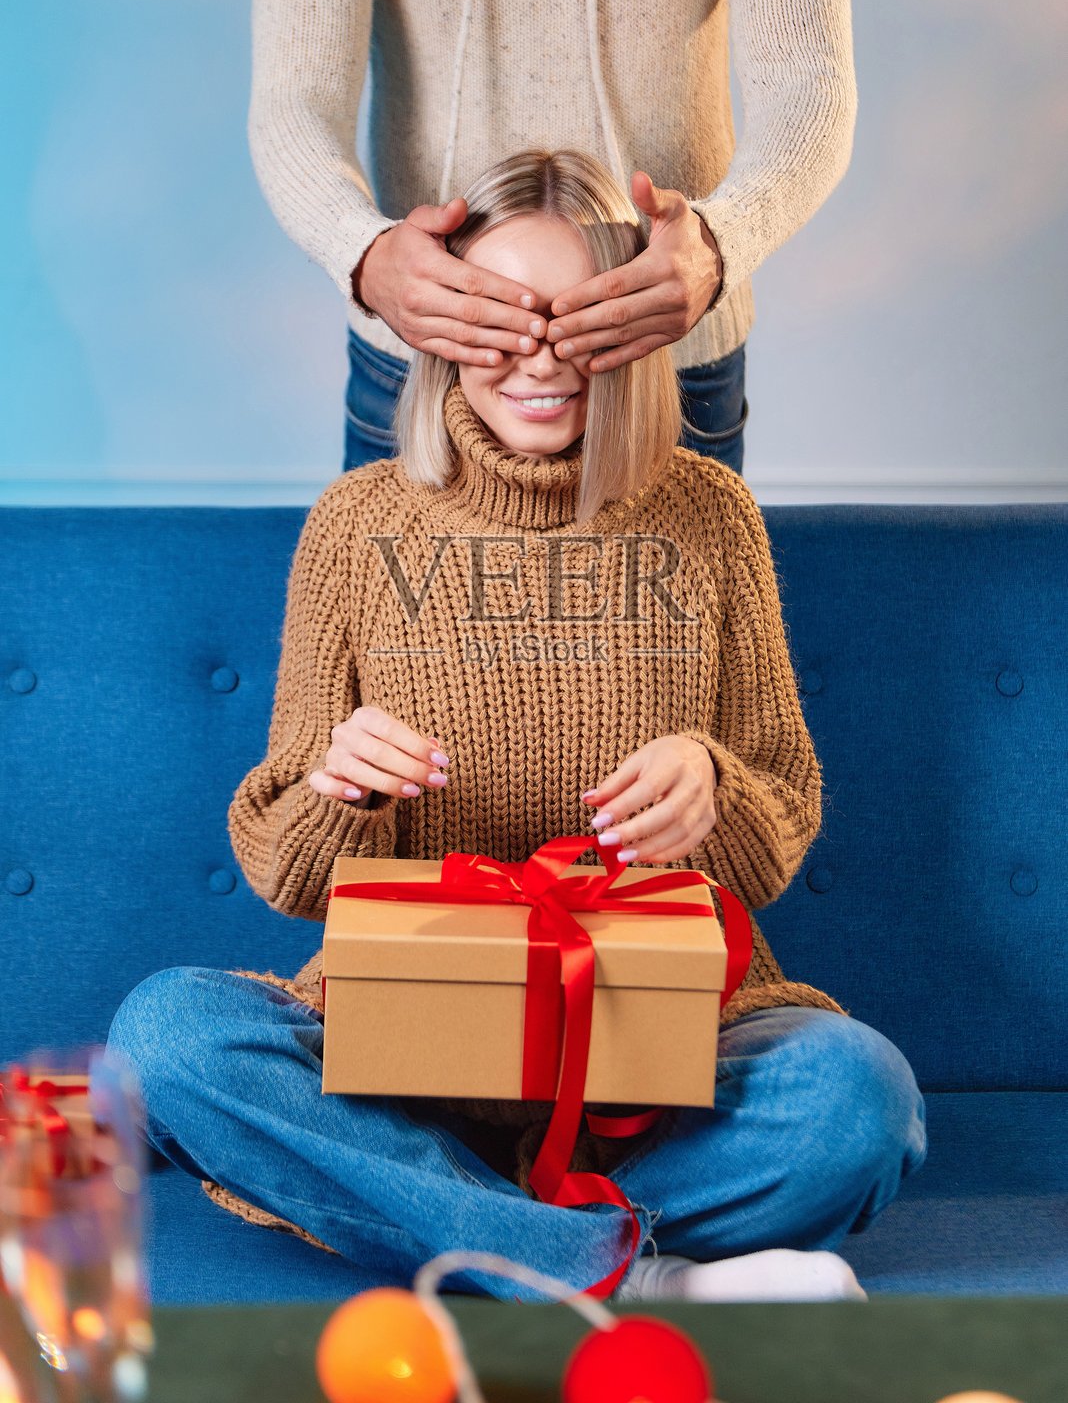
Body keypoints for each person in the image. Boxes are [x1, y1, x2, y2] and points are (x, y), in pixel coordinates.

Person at [105, 152, 923, 1304]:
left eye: (573, 322)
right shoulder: (355, 527)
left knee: (860, 1099)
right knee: (165, 1038)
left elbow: (779, 823)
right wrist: (337, 788)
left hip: (660, 1059)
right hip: (405, 1051)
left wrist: (715, 784)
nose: (536, 360)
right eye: (496, 322)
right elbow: (279, 865)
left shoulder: (710, 516)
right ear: (439, 332)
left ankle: (452, 1225)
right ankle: (626, 1272)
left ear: (630, 330)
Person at [247, 0, 858, 477]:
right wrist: (361, 255)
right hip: (425, 359)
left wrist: (719, 246)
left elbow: (811, 88)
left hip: (663, 361)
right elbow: (293, 100)